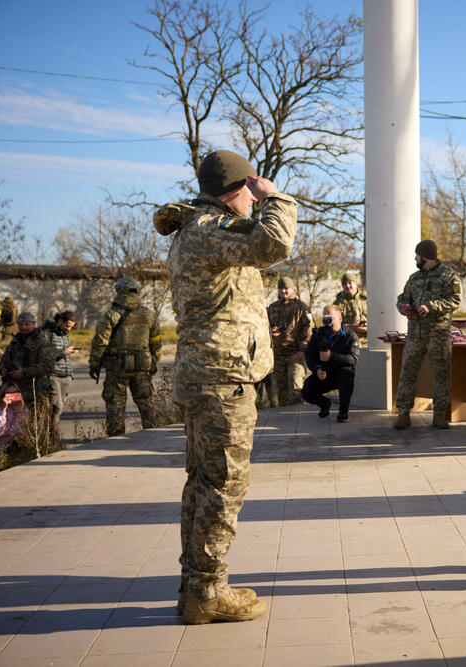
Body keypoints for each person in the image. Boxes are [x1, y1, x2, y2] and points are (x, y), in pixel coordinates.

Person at [153, 148, 296, 624]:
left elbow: (255, 252)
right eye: (250, 196)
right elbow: (274, 244)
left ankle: (197, 585)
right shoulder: (208, 230)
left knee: (203, 484)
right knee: (222, 488)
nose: (254, 204)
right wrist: (276, 196)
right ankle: (208, 592)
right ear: (236, 193)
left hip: (206, 374)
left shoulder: (200, 230)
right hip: (222, 377)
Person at [393, 239, 462, 429]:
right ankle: (403, 413)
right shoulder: (414, 278)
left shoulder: (448, 275)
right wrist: (403, 307)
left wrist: (431, 307)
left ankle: (439, 415)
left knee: (441, 374)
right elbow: (403, 298)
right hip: (415, 333)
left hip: (438, 333)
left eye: (417, 255)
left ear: (426, 257)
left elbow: (455, 300)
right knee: (407, 372)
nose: (415, 258)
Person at [88, 278, 161, 437]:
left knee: (115, 404)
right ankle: (154, 436)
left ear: (119, 291)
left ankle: (116, 440)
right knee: (146, 403)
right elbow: (156, 342)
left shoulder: (111, 314)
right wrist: (154, 362)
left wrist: (94, 364)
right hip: (142, 367)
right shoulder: (149, 315)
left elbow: (100, 343)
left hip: (117, 368)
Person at [301, 304, 359, 422]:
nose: (327, 321)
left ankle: (343, 411)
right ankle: (325, 404)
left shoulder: (350, 335)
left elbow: (353, 359)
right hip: (324, 373)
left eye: (330, 318)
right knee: (306, 390)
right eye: (325, 318)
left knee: (346, 373)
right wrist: (316, 369)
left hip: (341, 373)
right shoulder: (318, 334)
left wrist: (331, 356)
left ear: (340, 319)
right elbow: (309, 355)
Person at [266, 277, 312, 406]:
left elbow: (309, 331)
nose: (283, 291)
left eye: (286, 288)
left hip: (295, 355)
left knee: (295, 387)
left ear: (292, 289)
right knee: (281, 391)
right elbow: (265, 327)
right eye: (281, 289)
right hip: (278, 355)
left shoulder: (302, 308)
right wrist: (271, 331)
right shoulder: (272, 307)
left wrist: (302, 351)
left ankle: (298, 417)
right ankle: (285, 420)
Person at [0, 312, 56, 407]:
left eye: (27, 324)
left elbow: (47, 366)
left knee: (36, 419)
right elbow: (3, 361)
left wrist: (24, 372)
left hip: (35, 390)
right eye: (21, 325)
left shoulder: (43, 342)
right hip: (15, 388)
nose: (23, 327)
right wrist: (2, 369)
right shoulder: (15, 342)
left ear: (33, 324)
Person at [42, 310, 78, 438]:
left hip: (66, 376)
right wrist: (64, 352)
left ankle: (51, 433)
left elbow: (65, 357)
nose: (69, 329)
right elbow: (46, 355)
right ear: (60, 321)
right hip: (53, 376)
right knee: (57, 406)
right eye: (67, 325)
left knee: (58, 408)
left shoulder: (65, 335)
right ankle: (53, 436)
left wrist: (71, 374)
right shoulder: (48, 334)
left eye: (71, 327)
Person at [334, 272, 368, 337]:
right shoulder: (337, 303)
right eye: (344, 284)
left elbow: (379, 317)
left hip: (369, 340)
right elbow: (334, 325)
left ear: (356, 284)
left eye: (349, 283)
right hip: (348, 342)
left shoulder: (368, 299)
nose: (347, 286)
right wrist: (351, 327)